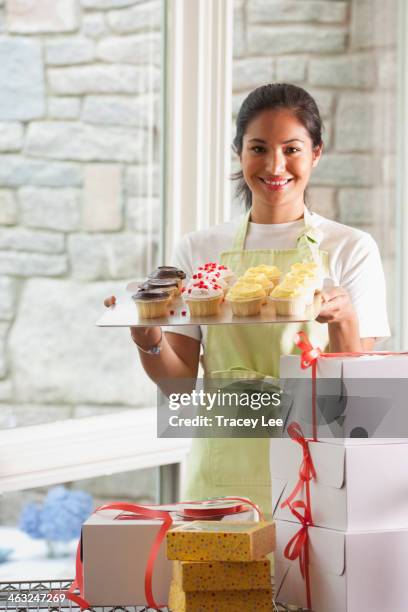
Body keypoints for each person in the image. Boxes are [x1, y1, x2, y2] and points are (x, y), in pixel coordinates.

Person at [105, 83, 390, 515]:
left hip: (316, 469)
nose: (276, 165)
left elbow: (354, 400)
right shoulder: (199, 249)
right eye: (259, 148)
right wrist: (148, 338)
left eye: (292, 148)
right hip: (223, 470)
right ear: (239, 152)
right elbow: (179, 384)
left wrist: (344, 318)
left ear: (316, 153)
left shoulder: (351, 248)